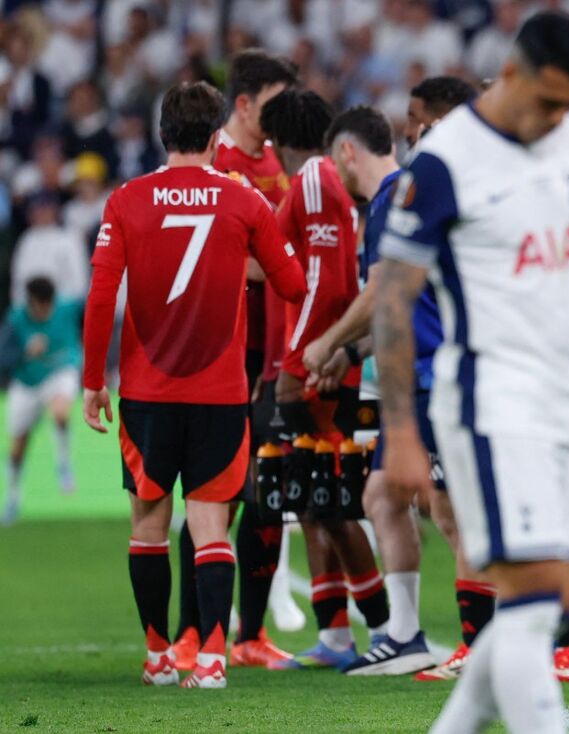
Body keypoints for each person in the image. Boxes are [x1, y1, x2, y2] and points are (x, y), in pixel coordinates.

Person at [372, 11, 569, 731]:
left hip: (562, 401)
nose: (555, 118)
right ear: (510, 73)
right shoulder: (447, 163)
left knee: (558, 597)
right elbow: (390, 301)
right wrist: (402, 435)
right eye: (546, 100)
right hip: (489, 401)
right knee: (534, 596)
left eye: (568, 103)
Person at [81, 81, 306, 688]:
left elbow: (103, 294)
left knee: (148, 525)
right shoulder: (244, 202)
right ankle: (210, 657)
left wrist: (91, 381)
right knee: (210, 529)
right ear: (214, 137)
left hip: (148, 394)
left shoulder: (127, 199)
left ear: (162, 135)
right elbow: (291, 283)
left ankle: (158, 655)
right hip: (220, 393)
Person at [303, 79, 482, 678]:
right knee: (382, 495)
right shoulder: (399, 199)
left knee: (451, 510)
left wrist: (328, 341)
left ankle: (482, 644)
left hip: (436, 373)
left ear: (346, 153)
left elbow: (385, 291)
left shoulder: (393, 199)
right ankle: (404, 635)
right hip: (411, 376)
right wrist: (350, 353)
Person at [171, 48, 301, 672]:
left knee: (266, 494)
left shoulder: (273, 162)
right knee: (210, 496)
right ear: (244, 103)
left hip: (270, 354)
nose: (287, 114)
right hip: (223, 353)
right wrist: (277, 263)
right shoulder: (212, 161)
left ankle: (249, 632)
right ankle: (191, 631)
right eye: (276, 102)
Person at [258, 88, 391, 670]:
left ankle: (386, 626)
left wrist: (301, 358)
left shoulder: (313, 178)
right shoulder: (321, 181)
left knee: (333, 501)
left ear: (278, 136)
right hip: (327, 356)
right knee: (313, 502)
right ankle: (336, 634)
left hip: (320, 366)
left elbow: (324, 276)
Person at [1, 277, 81, 525]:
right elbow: (3, 359)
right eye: (40, 305)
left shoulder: (68, 308)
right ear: (31, 302)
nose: (45, 310)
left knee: (60, 412)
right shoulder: (15, 320)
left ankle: (64, 464)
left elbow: (99, 312)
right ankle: (13, 496)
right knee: (18, 447)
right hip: (26, 382)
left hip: (59, 371)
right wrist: (25, 352)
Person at [10, 190, 88, 307]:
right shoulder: (26, 239)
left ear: (55, 210)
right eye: (37, 209)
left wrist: (55, 307)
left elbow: (79, 283)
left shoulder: (69, 237)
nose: (41, 213)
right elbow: (17, 282)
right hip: (30, 309)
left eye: (45, 208)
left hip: (62, 308)